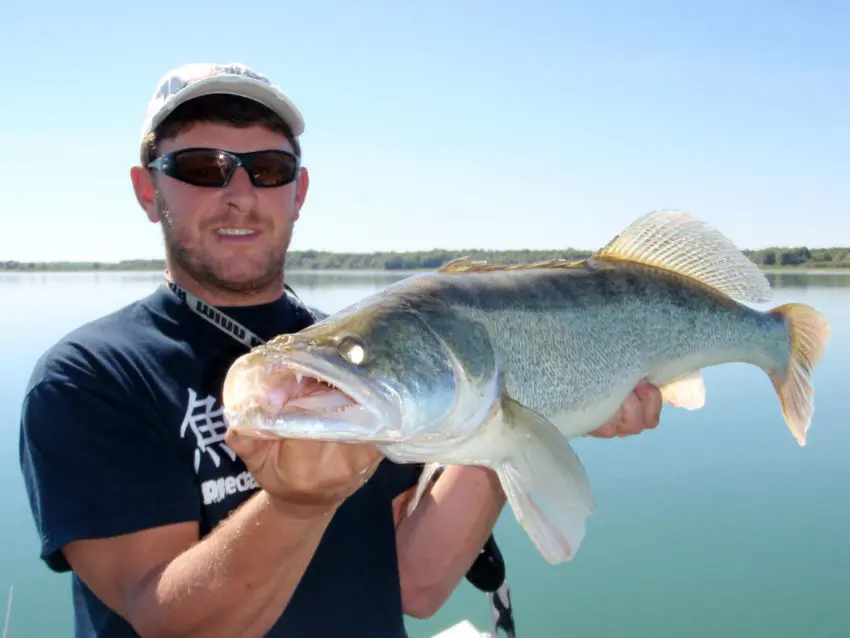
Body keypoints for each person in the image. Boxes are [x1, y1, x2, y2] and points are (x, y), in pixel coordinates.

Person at [18, 62, 663, 638]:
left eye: (268, 170)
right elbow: (168, 621)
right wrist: (298, 503)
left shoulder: (377, 357)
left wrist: (519, 415)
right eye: (200, 168)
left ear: (299, 192)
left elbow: (417, 580)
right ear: (145, 190)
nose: (239, 194)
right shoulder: (89, 379)